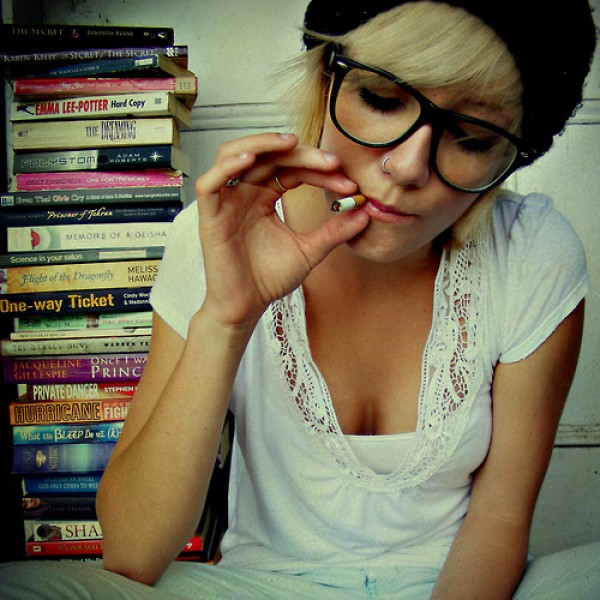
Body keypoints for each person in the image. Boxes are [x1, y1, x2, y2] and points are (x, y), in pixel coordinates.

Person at [1, 1, 599, 598]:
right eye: (382, 100)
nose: (407, 167)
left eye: (471, 138)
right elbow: (133, 551)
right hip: (261, 586)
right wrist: (227, 318)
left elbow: (500, 521)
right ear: (324, 80)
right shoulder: (214, 235)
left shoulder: (530, 249)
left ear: (507, 158)